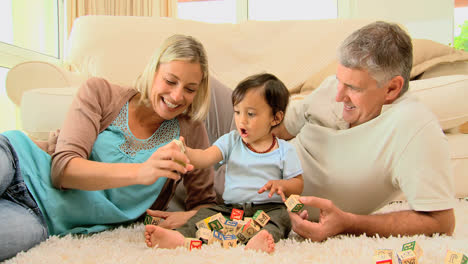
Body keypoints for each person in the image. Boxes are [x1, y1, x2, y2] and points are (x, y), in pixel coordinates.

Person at [0, 34, 217, 261]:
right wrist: (141, 172)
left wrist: (188, 216)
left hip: (41, 218)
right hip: (18, 162)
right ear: (153, 72)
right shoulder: (101, 93)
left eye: (190, 89)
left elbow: (205, 204)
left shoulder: (190, 131)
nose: (177, 96)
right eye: (170, 81)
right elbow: (62, 170)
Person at [272, 21, 456, 241]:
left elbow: (441, 221)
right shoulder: (333, 87)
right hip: (242, 157)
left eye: (353, 88)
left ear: (392, 88)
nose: (338, 96)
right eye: (340, 81)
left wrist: (349, 223)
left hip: (261, 198)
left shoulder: (414, 127)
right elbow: (280, 130)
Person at [144, 73, 304, 253]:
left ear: (275, 118)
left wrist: (282, 184)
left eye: (250, 114)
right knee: (204, 215)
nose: (241, 120)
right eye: (237, 112)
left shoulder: (284, 150)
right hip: (230, 208)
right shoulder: (231, 141)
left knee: (282, 218)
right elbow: (205, 157)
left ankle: (261, 239)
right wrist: (186, 152)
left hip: (269, 208)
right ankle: (180, 237)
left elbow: (298, 184)